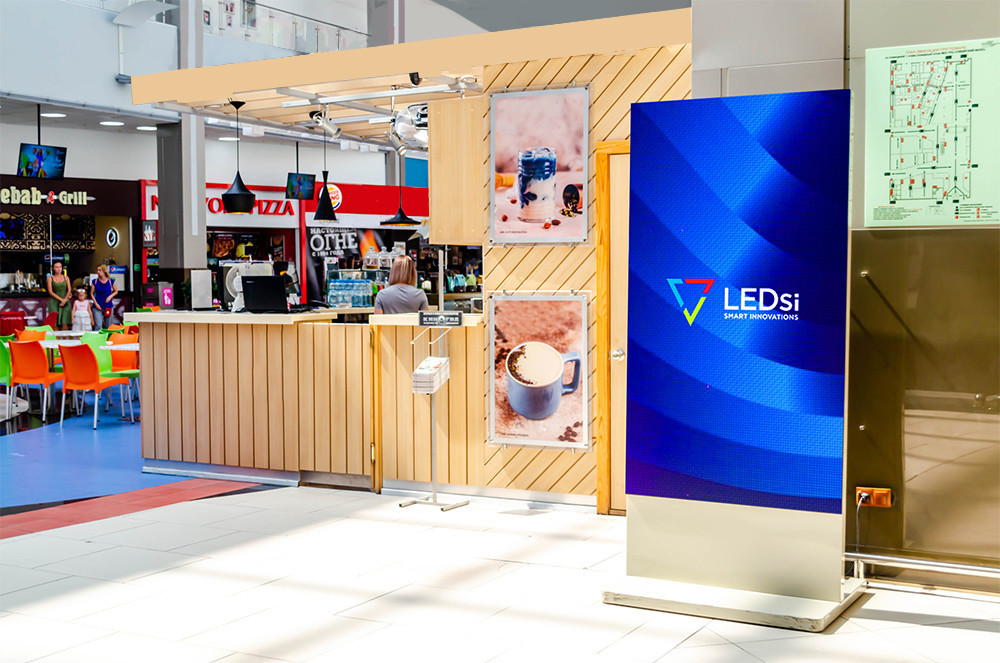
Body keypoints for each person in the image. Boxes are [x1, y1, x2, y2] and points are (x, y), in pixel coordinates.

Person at [91, 264, 118, 330]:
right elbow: (91, 293)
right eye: (97, 270)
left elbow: (116, 291)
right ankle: (98, 336)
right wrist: (96, 303)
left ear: (104, 271)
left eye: (100, 270)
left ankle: (107, 336)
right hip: (97, 306)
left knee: (108, 326)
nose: (98, 272)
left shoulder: (111, 281)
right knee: (98, 325)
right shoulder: (95, 281)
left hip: (108, 306)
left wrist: (110, 297)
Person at [46, 260, 71, 330]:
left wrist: (65, 300)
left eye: (60, 267)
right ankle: (56, 336)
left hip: (65, 300)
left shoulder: (66, 277)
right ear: (53, 268)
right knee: (54, 322)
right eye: (57, 267)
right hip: (54, 301)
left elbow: (69, 290)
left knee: (65, 321)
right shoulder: (50, 278)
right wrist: (61, 300)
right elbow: (50, 292)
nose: (59, 269)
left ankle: (65, 337)